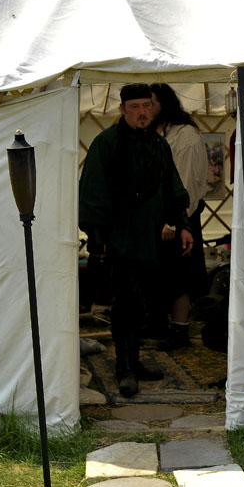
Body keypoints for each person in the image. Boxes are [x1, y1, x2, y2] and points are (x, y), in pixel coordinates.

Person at [79, 83, 193, 397]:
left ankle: (133, 360)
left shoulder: (159, 144)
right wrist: (98, 237)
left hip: (151, 241)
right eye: (135, 107)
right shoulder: (106, 143)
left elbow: (174, 188)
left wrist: (183, 225)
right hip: (120, 240)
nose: (142, 112)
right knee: (125, 305)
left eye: (147, 106)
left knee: (143, 303)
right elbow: (93, 190)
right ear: (123, 110)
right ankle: (125, 369)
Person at [150, 83, 209, 349]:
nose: (147, 110)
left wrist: (176, 221)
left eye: (151, 104)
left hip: (181, 216)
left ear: (165, 104)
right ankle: (162, 325)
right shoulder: (156, 133)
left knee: (180, 275)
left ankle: (180, 330)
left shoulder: (185, 136)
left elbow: (186, 182)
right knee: (164, 273)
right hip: (160, 217)